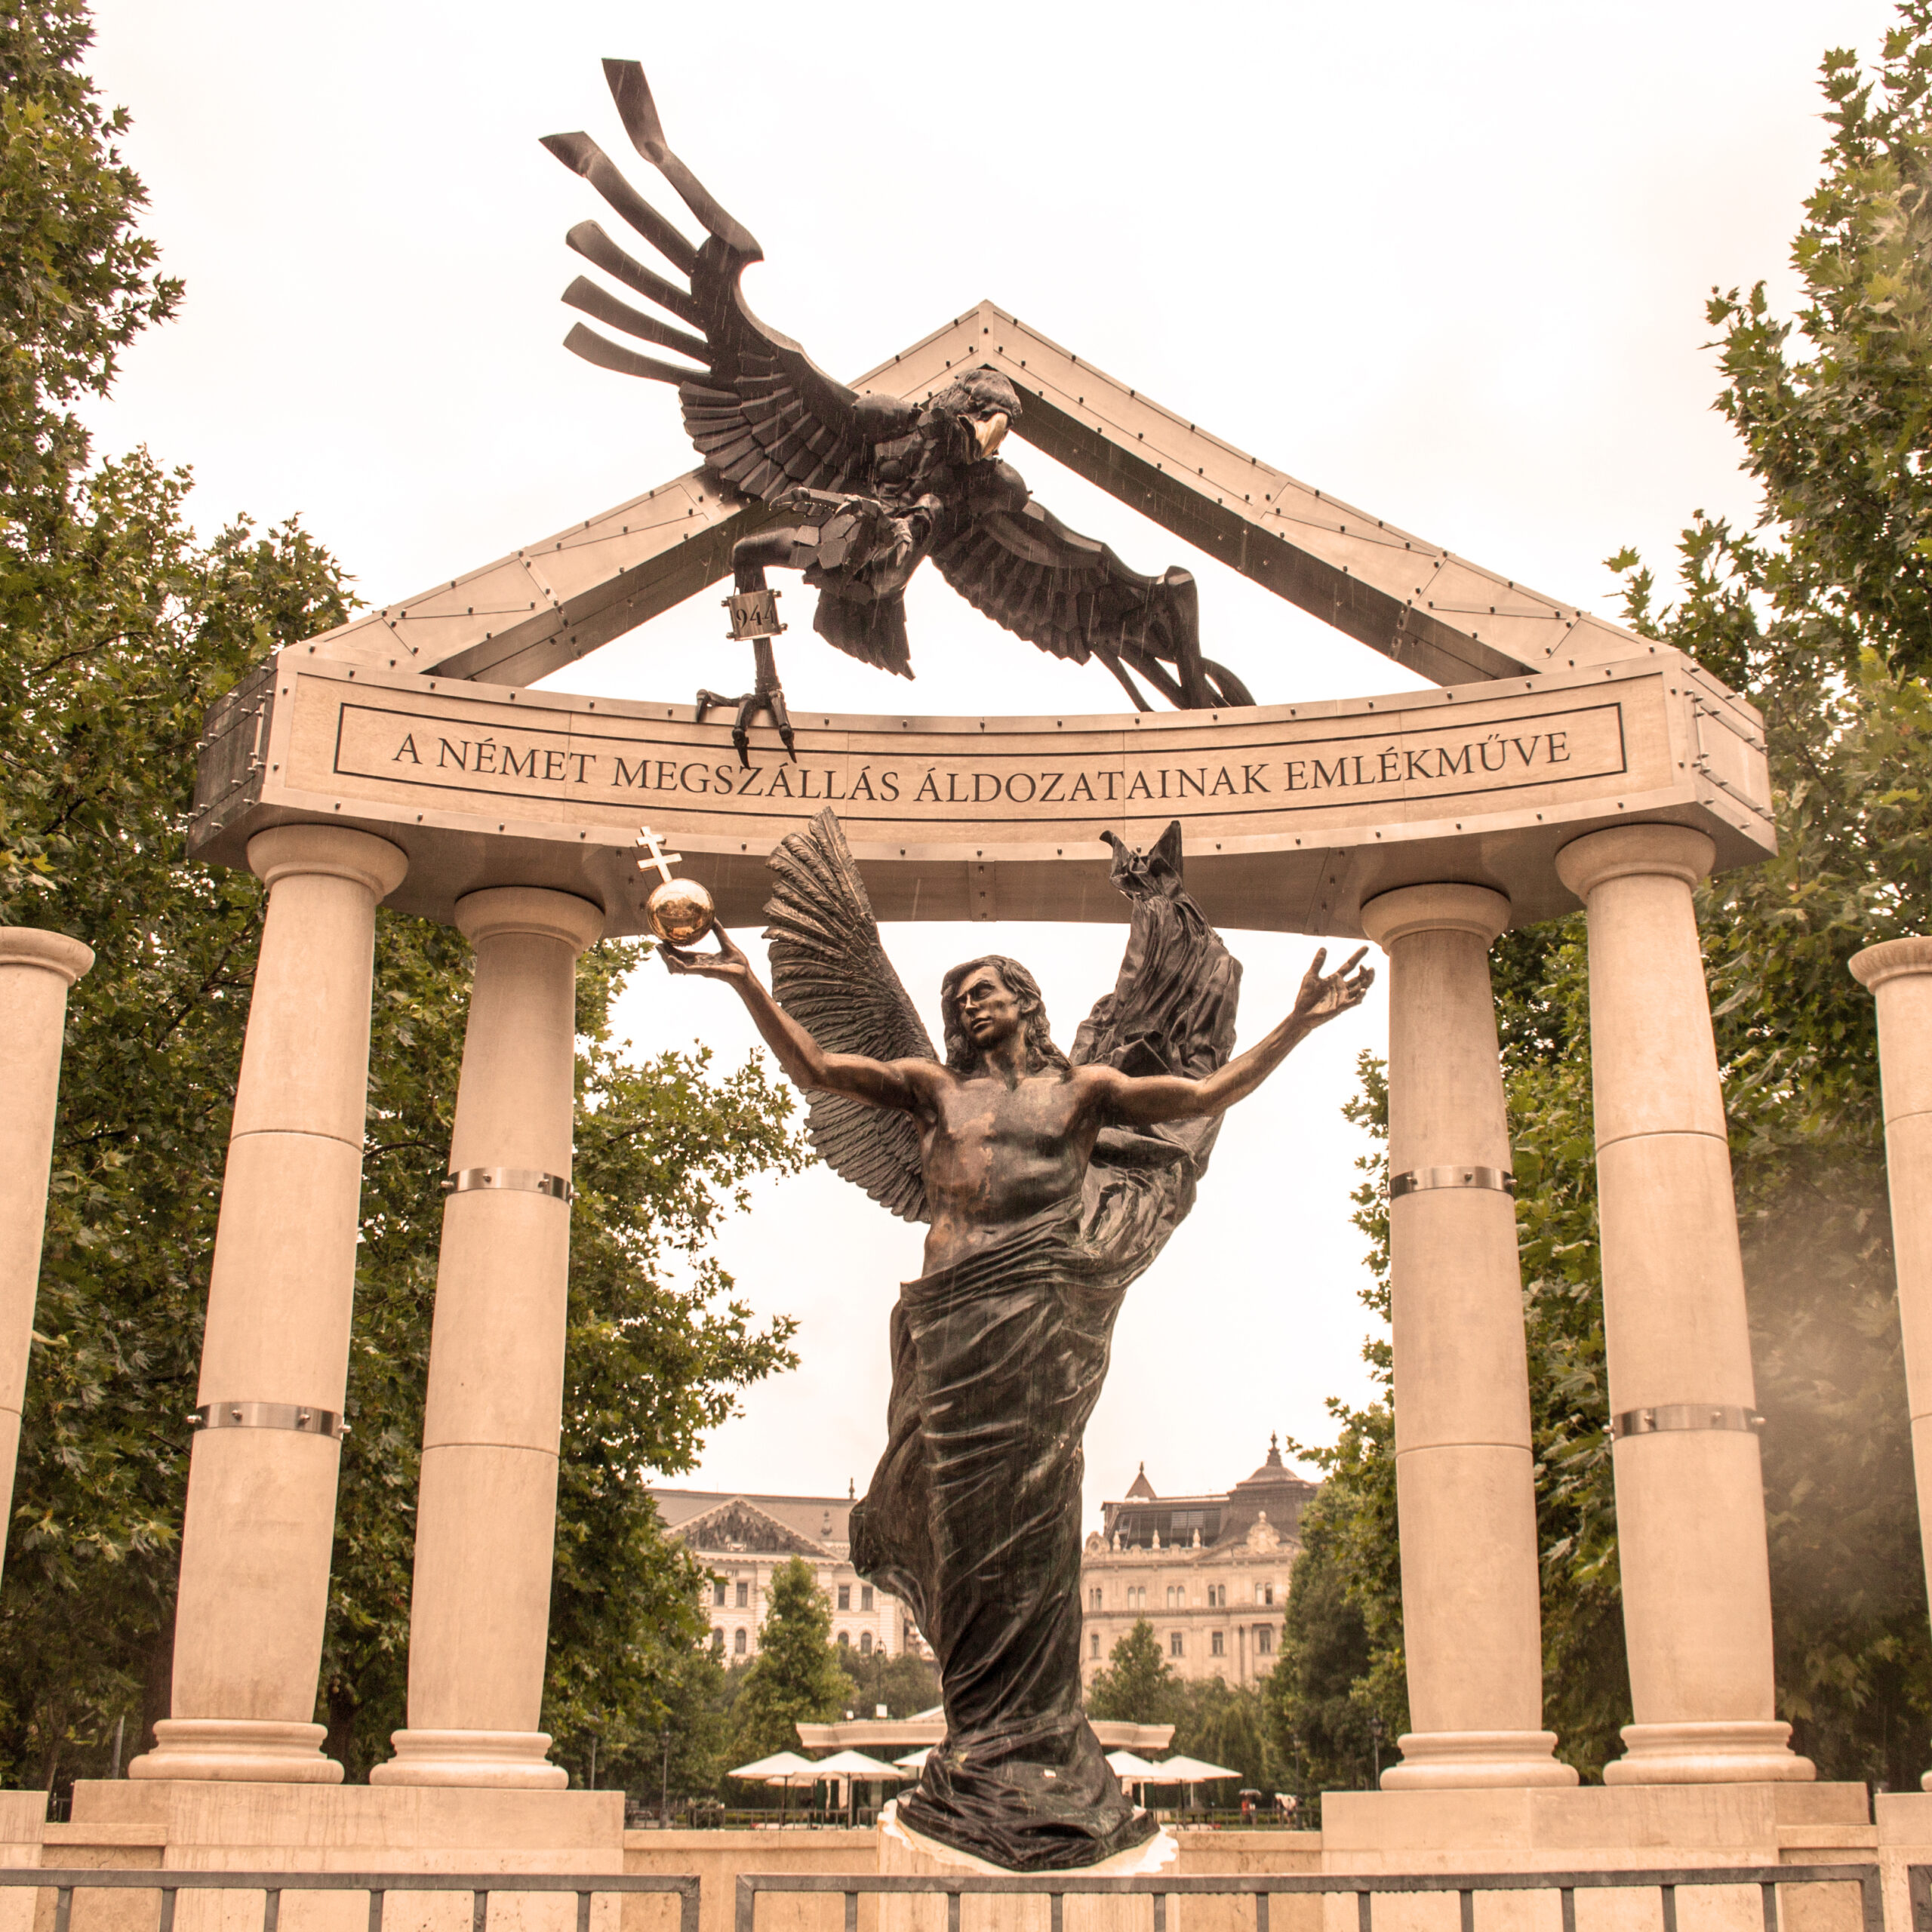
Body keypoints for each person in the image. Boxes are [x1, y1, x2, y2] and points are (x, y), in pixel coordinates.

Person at [662, 919, 1371, 1868]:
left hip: (1042, 1320)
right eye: (961, 996)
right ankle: (977, 1745)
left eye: (986, 990)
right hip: (951, 1322)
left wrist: (1299, 1022)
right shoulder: (931, 1088)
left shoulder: (1084, 1091)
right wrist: (746, 980)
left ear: (1026, 1004)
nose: (968, 1004)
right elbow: (821, 1067)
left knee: (1035, 1528)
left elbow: (1203, 1093)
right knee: (957, 1532)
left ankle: (1037, 1752)